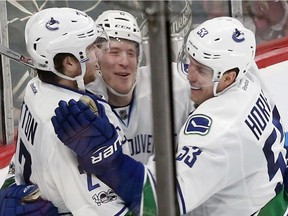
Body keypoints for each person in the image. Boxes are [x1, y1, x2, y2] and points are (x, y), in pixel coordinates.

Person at [52, 16, 288, 215]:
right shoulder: (243, 73)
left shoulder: (217, 131)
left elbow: (157, 202)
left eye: (201, 71)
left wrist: (108, 160)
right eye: (191, 63)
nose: (190, 76)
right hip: (267, 197)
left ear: (228, 77)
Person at [3, 7, 131, 215]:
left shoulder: (35, 87)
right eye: (91, 48)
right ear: (70, 63)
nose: (98, 53)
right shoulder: (74, 125)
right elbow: (100, 208)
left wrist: (9, 184)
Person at [86, 10, 193, 164]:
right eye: (114, 52)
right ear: (97, 57)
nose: (125, 62)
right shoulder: (86, 102)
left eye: (131, 53)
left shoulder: (173, 83)